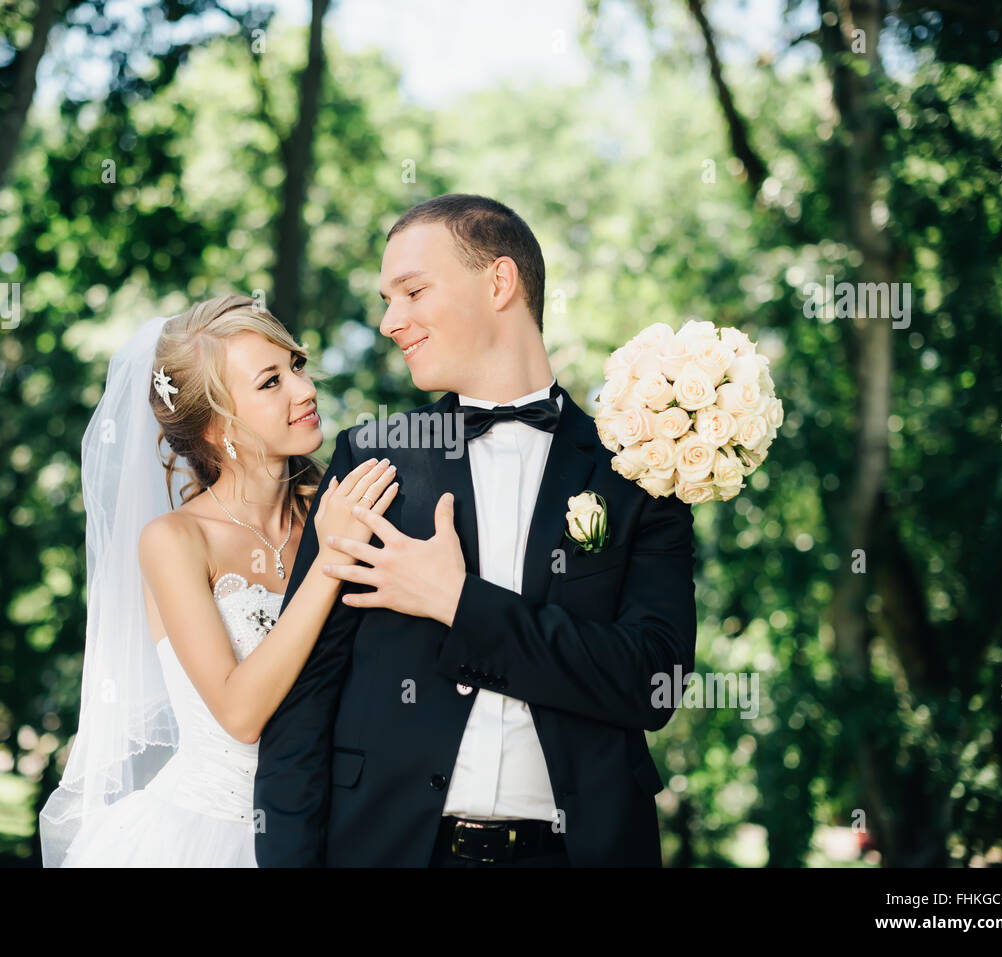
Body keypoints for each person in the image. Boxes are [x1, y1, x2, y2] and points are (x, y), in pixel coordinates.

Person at [254, 194, 698, 867]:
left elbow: (653, 680)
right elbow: (304, 695)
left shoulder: (637, 467)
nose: (389, 321)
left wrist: (458, 603)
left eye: (412, 291)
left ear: (499, 282)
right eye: (385, 298)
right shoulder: (371, 459)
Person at [38, 295, 398, 867]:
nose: (304, 391)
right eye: (270, 382)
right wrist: (332, 558)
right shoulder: (176, 541)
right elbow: (239, 713)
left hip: (335, 832)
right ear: (214, 427)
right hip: (203, 839)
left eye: (296, 367)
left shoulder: (337, 512)